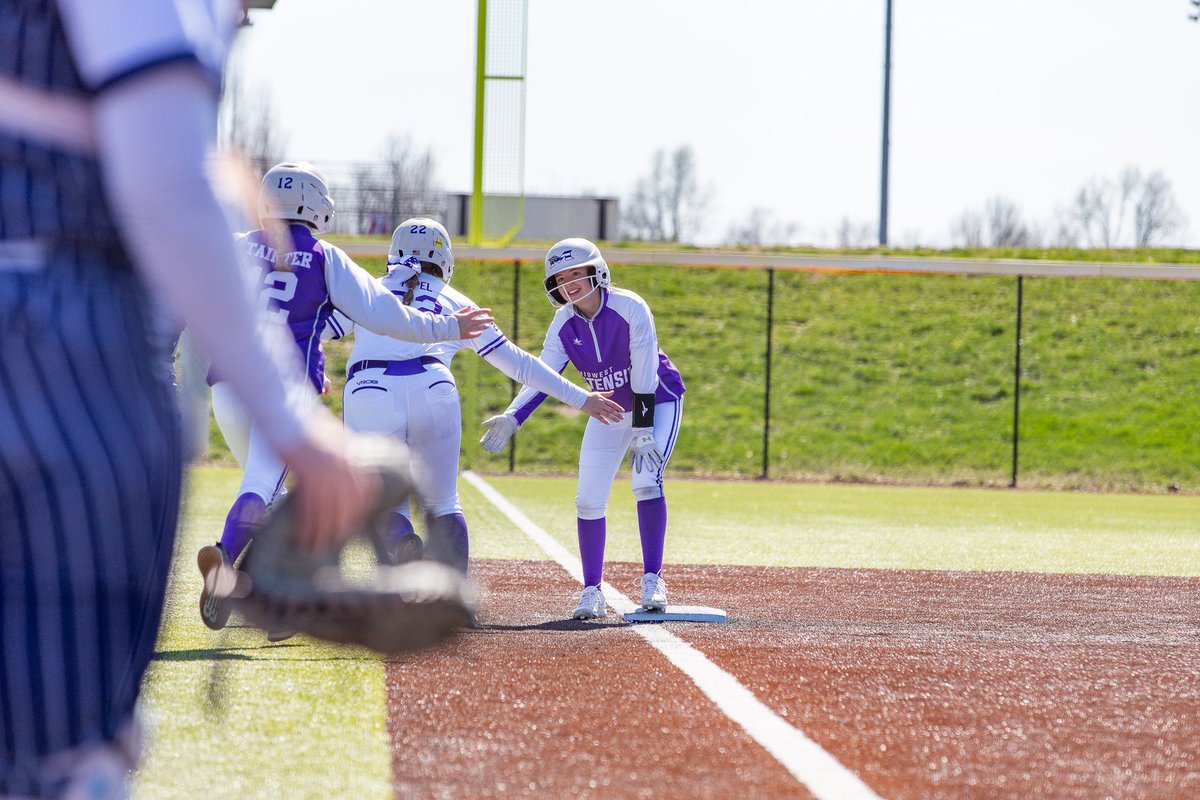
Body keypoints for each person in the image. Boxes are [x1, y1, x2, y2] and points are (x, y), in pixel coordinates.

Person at [0, 2, 428, 795]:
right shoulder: (316, 251)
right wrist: (300, 422)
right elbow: (166, 184)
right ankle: (233, 572)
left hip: (123, 344)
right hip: (61, 337)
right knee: (72, 746)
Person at [198, 171, 493, 636]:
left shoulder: (235, 243)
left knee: (272, 493)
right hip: (280, 388)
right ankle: (227, 562)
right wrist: (449, 329)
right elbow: (387, 315)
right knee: (272, 487)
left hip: (225, 385)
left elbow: (180, 290)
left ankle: (270, 600)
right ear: (314, 206)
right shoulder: (324, 256)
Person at [341, 219, 624, 573]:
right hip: (433, 386)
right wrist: (583, 398)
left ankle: (398, 556)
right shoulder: (456, 300)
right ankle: (457, 601)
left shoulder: (368, 289)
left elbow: (316, 330)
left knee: (382, 502)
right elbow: (520, 364)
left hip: (369, 389)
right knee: (445, 502)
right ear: (445, 257)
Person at [478, 238, 686, 620]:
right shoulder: (562, 323)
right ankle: (592, 590)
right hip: (606, 409)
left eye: (576, 272)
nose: (569, 282)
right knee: (588, 499)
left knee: (645, 480)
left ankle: (653, 579)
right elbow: (542, 374)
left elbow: (644, 372)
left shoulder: (631, 307)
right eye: (560, 277)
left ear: (597, 271)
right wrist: (513, 416)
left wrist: (642, 427)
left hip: (656, 401)